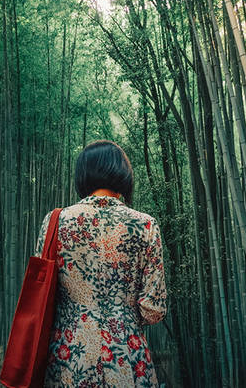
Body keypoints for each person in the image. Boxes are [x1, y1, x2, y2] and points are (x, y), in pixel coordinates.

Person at [35, 140, 167, 387]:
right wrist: (122, 315)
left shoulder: (56, 221)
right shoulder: (145, 225)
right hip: (127, 355)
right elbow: (154, 309)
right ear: (123, 174)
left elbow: (44, 296)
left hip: (70, 355)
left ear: (83, 175)